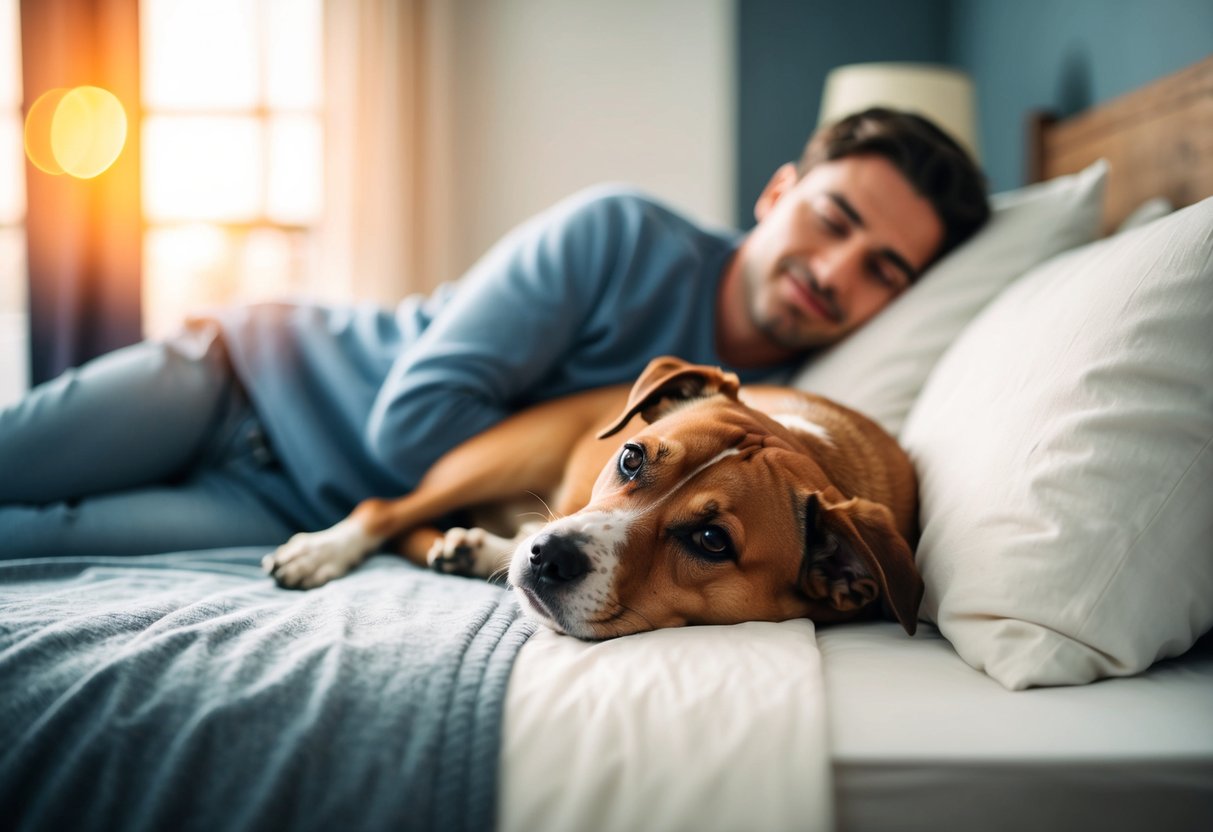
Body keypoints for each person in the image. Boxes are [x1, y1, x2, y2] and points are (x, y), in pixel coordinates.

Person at [0, 108, 989, 556]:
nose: (834, 272)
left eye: (883, 270)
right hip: (245, 378)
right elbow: (408, 425)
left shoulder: (770, 432)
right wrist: (613, 427)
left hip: (295, 499)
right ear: (779, 192)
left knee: (32, 544)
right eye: (833, 220)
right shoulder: (619, 234)